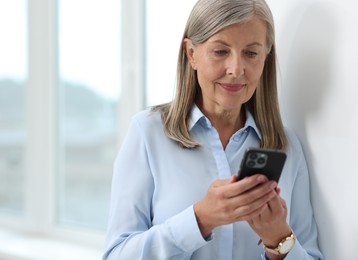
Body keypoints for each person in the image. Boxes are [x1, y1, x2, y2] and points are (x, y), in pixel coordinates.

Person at [103, 0, 323, 259]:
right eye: (220, 51)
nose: (236, 69)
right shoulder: (147, 133)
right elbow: (117, 255)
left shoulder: (288, 147)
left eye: (251, 53)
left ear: (266, 58)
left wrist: (278, 239)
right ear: (191, 53)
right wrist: (200, 219)